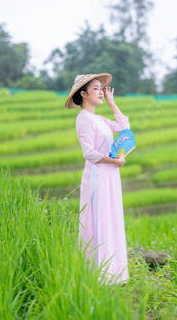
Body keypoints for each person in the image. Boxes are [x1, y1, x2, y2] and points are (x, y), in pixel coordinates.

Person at [65, 73, 130, 285]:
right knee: (98, 218)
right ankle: (97, 273)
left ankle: (112, 271)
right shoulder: (83, 118)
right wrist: (115, 162)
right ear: (83, 94)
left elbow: (123, 127)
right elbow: (89, 153)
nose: (101, 92)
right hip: (98, 174)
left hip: (109, 174)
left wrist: (112, 103)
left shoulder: (99, 119)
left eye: (102, 88)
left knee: (110, 216)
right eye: (95, 88)